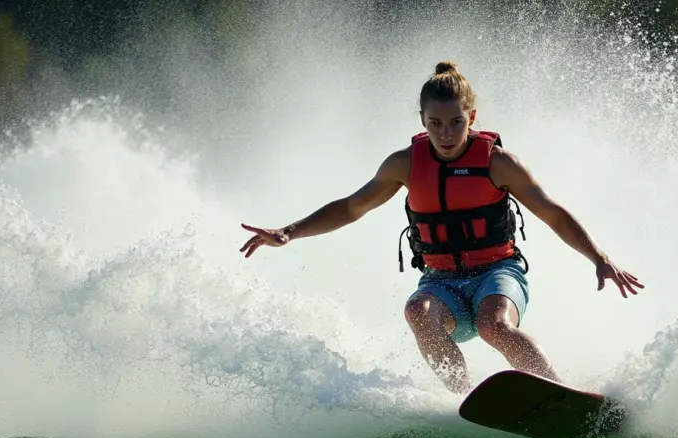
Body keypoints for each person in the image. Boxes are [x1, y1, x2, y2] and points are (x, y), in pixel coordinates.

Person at [239, 61, 644, 394]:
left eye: (455, 122)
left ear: (472, 118)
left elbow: (552, 212)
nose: (445, 133)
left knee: (493, 325)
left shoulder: (498, 163)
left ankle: (558, 393)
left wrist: (599, 257)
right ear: (422, 120)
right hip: (442, 282)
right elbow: (351, 207)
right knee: (417, 311)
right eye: (435, 123)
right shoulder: (405, 164)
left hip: (498, 273)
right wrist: (289, 231)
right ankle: (464, 399)